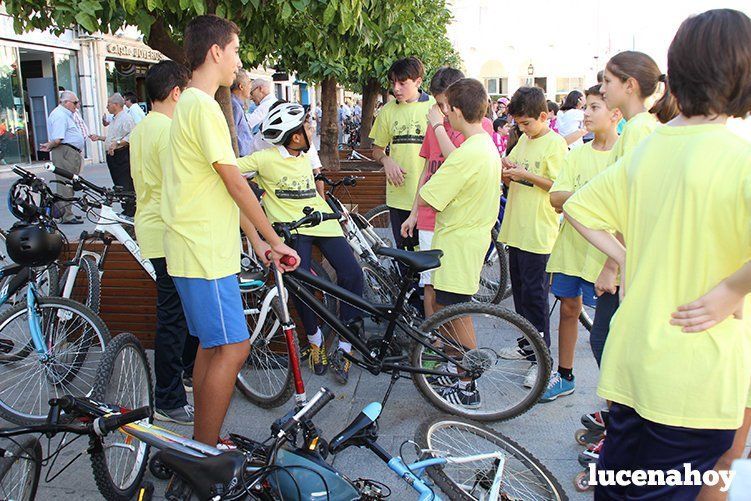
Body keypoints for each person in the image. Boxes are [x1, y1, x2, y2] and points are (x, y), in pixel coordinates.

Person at [564, 9, 751, 498]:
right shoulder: (737, 156)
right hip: (694, 373)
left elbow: (579, 208)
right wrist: (733, 288)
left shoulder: (649, 147)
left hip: (634, 361)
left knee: (621, 488)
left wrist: (627, 259)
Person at [161, 14, 299, 447]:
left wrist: (256, 240)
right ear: (216, 51)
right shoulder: (202, 106)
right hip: (204, 251)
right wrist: (274, 238)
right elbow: (234, 181)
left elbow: (216, 184)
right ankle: (204, 451)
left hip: (195, 248)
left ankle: (200, 444)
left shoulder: (189, 104)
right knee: (235, 347)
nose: (239, 62)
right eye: (236, 51)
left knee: (211, 346)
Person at [238, 102, 364, 383]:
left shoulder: (304, 157)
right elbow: (228, 173)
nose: (311, 129)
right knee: (301, 281)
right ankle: (315, 340)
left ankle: (345, 346)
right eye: (307, 126)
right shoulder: (263, 159)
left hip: (322, 221)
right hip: (292, 229)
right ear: (294, 136)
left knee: (352, 274)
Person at [417, 77, 501, 407]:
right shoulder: (484, 144)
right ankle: (460, 370)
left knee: (456, 311)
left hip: (458, 241)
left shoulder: (468, 152)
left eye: (446, 108)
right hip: (467, 238)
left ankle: (469, 384)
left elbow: (430, 197)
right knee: (447, 307)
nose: (443, 115)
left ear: (455, 111)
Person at [541, 84, 620, 402]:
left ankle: (615, 400)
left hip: (606, 257)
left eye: (594, 107)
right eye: (585, 107)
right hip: (572, 249)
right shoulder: (578, 155)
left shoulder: (624, 154)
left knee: (608, 330)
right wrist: (592, 200)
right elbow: (556, 198)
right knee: (569, 309)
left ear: (614, 113)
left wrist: (577, 200)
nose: (585, 113)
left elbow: (621, 209)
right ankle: (565, 375)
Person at [129, 60, 197, 425]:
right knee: (173, 317)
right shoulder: (168, 131)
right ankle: (168, 398)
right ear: (176, 93)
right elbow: (180, 187)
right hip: (167, 231)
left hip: (152, 227)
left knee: (180, 312)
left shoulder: (144, 127)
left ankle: (184, 376)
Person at [400, 67, 494, 317]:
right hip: (438, 217)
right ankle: (435, 343)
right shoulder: (446, 127)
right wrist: (414, 213)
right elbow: (427, 169)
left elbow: (457, 161)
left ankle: (456, 351)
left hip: (456, 224)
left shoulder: (476, 131)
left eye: (445, 105)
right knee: (432, 287)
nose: (442, 111)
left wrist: (439, 126)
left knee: (452, 302)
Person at [497, 86, 568, 388]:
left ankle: (543, 359)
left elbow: (557, 184)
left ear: (544, 116)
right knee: (523, 296)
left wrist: (524, 175)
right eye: (518, 124)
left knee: (537, 298)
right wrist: (507, 171)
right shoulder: (524, 141)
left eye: (527, 123)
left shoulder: (556, 144)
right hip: (517, 228)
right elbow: (512, 173)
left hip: (540, 232)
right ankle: (527, 346)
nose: (522, 129)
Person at [369, 56, 435, 249]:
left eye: (402, 83)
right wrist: (386, 159)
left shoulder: (433, 107)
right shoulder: (387, 111)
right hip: (399, 195)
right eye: (393, 82)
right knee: (405, 257)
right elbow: (377, 150)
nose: (396, 88)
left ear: (418, 81)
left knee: (428, 256)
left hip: (429, 196)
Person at [39, 90, 85, 224]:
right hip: (65, 152)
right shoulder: (60, 115)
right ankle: (66, 215)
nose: (77, 105)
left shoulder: (66, 114)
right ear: (65, 102)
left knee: (69, 183)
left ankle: (67, 212)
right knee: (65, 184)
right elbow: (58, 139)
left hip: (69, 151)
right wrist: (49, 145)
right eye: (75, 102)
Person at [90, 93, 137, 217]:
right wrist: (100, 138)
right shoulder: (115, 119)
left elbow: (131, 136)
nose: (107, 107)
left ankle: (130, 209)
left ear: (116, 105)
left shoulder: (126, 118)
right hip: (113, 156)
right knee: (118, 183)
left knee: (125, 182)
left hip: (121, 155)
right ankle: (126, 208)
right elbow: (114, 137)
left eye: (109, 104)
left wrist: (117, 144)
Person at [230, 69, 253, 156]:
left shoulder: (237, 105)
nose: (251, 86)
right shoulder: (234, 106)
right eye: (249, 83)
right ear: (241, 87)